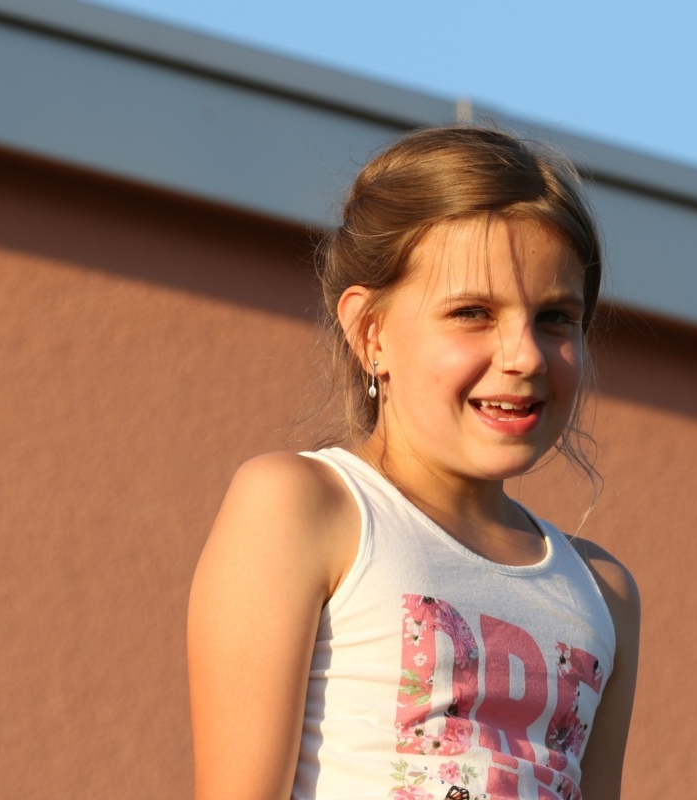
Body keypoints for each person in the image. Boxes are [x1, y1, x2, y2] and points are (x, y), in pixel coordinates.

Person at [187, 126, 641, 800]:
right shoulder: (306, 506)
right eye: (473, 312)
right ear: (371, 332)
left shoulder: (603, 593)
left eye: (555, 318)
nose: (524, 356)